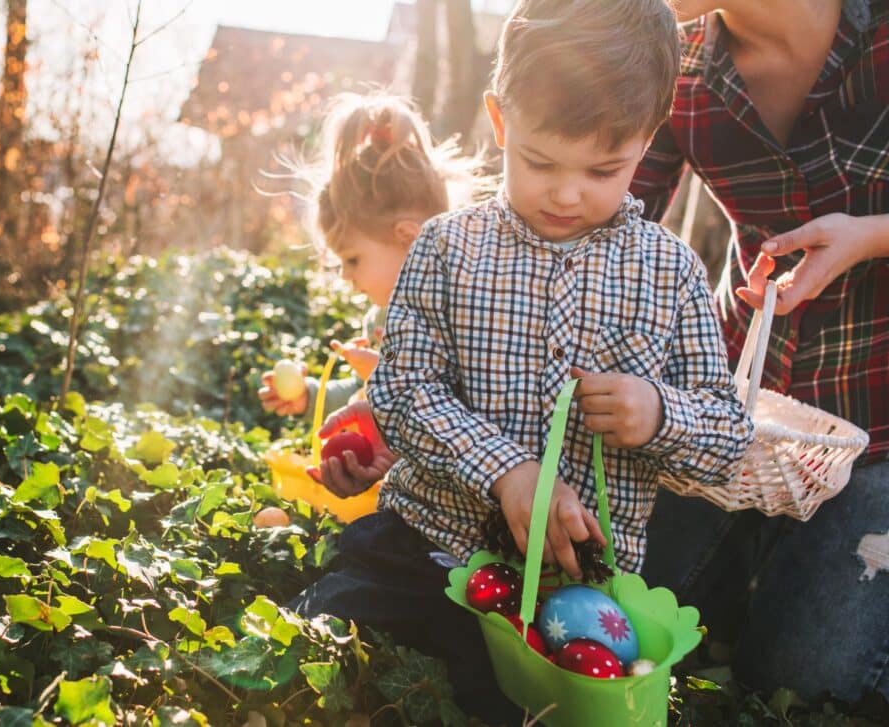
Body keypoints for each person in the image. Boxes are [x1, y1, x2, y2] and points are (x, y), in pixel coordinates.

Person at [291, 0, 754, 720]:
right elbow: (403, 391)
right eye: (539, 162)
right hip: (425, 546)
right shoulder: (447, 248)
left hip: (572, 597)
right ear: (500, 121)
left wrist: (659, 413)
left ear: (648, 138)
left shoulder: (672, 274)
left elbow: (728, 440)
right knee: (321, 645)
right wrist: (507, 470)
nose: (566, 192)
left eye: (603, 169)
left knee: (507, 703)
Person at [633, 0, 889, 704]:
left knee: (801, 684)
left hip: (877, 422)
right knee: (629, 617)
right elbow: (603, 207)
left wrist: (871, 236)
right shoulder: (674, 56)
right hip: (739, 401)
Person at [256, 92, 487, 491]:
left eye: (353, 259)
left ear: (408, 238)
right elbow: (361, 396)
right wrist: (309, 397)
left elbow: (474, 408)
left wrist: (389, 379)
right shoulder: (381, 318)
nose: (346, 276)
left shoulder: (470, 310)